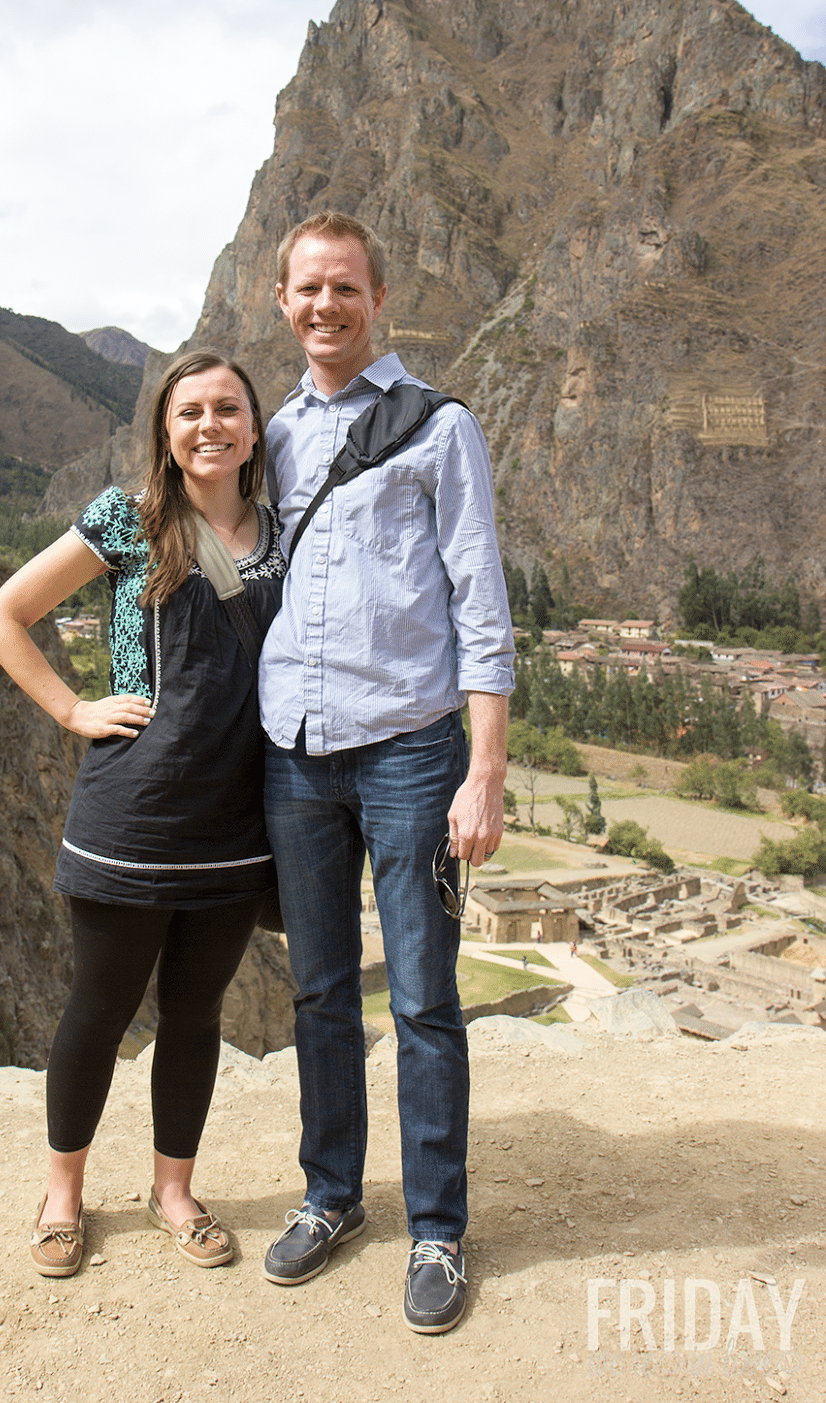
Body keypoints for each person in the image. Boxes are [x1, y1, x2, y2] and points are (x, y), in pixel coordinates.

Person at [258, 211, 515, 1334]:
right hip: (297, 753)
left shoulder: (435, 427)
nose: (325, 306)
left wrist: (485, 769)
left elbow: (480, 603)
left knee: (419, 998)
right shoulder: (268, 434)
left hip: (412, 748)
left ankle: (436, 1228)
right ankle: (330, 1197)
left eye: (344, 288)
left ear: (377, 300)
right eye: (306, 289)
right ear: (281, 301)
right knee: (318, 989)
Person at [0, 351, 285, 1278]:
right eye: (188, 412)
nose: (208, 426)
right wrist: (73, 709)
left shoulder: (283, 532)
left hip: (236, 826)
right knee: (98, 1012)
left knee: (195, 1017)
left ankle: (174, 1189)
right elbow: (5, 614)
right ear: (165, 431)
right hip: (133, 818)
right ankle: (62, 1195)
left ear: (254, 428)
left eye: (226, 409)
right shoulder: (132, 517)